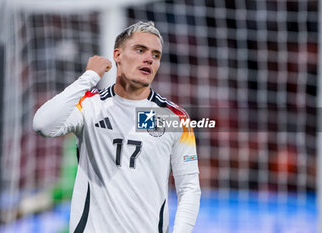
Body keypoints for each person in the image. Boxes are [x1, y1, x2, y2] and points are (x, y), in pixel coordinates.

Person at [33, 21, 200, 233]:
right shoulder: (90, 105)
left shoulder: (173, 117)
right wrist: (89, 77)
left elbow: (189, 187)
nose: (149, 58)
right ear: (117, 55)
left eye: (156, 55)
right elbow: (43, 125)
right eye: (140, 50)